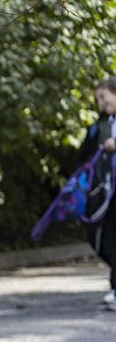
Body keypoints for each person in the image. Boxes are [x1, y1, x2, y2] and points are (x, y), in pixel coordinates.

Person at [76, 77, 116, 309]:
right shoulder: (100, 125)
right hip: (105, 194)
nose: (100, 103)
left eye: (103, 97)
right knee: (103, 237)